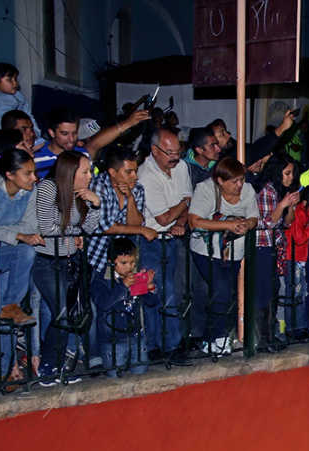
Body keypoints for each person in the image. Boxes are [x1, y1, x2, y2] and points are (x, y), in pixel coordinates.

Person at [0, 147, 42, 379]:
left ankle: (6, 371)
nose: (34, 178)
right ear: (9, 174)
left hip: (9, 254)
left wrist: (4, 236)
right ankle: (11, 308)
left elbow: (31, 226)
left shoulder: (30, 191)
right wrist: (17, 236)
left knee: (7, 312)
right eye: (28, 173)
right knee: (26, 250)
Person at [33, 150, 101, 385]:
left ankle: (60, 364)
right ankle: (48, 366)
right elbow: (46, 228)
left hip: (70, 263)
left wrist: (95, 204)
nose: (89, 176)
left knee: (75, 311)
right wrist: (73, 235)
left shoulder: (79, 194)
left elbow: (89, 229)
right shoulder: (48, 189)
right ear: (70, 172)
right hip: (47, 263)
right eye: (84, 171)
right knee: (62, 311)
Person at [188, 157, 258, 356]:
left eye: (241, 180)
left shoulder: (248, 191)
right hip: (206, 250)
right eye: (234, 181)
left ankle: (218, 336)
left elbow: (254, 217)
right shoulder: (205, 189)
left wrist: (246, 225)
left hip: (234, 251)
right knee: (221, 290)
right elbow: (195, 221)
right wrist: (227, 225)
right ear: (220, 180)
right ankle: (213, 337)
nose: (239, 185)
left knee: (227, 293)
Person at [137, 128, 192, 363]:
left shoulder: (181, 167)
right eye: (169, 152)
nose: (175, 156)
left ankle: (169, 344)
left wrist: (180, 221)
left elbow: (185, 206)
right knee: (152, 293)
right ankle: (157, 346)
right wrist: (180, 207)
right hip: (149, 240)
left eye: (177, 151)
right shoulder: (145, 174)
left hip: (171, 238)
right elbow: (162, 218)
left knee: (172, 292)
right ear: (154, 150)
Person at [91, 236, 157, 377]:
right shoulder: (102, 279)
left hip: (136, 335)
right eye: (124, 263)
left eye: (133, 262)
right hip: (112, 338)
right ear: (111, 262)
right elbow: (103, 303)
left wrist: (149, 287)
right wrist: (123, 286)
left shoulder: (135, 276)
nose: (130, 267)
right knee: (115, 377)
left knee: (141, 374)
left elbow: (151, 302)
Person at [255, 155, 300, 349]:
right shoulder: (268, 190)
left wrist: (290, 206)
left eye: (292, 174)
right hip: (262, 247)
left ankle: (270, 336)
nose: (290, 177)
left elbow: (288, 222)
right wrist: (282, 204)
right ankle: (263, 339)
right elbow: (268, 222)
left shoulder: (280, 191)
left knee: (273, 292)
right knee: (264, 294)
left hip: (274, 248)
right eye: (287, 173)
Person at [88, 146, 154, 274]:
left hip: (122, 261)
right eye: (129, 172)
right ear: (112, 172)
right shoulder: (98, 186)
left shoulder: (137, 189)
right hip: (95, 257)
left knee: (123, 293)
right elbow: (108, 228)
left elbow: (135, 224)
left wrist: (130, 198)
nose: (135, 176)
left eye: (136, 171)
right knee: (97, 293)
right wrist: (143, 230)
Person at [34, 106, 149, 178]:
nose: (71, 139)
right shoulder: (36, 157)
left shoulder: (81, 154)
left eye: (74, 133)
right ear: (52, 133)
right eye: (64, 134)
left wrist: (129, 123)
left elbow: (96, 143)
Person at [279, 185, 309, 337]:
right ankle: (294, 328)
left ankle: (299, 326)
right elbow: (299, 238)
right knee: (295, 294)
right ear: (307, 202)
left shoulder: (306, 214)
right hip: (293, 257)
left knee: (300, 293)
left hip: (299, 258)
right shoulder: (299, 213)